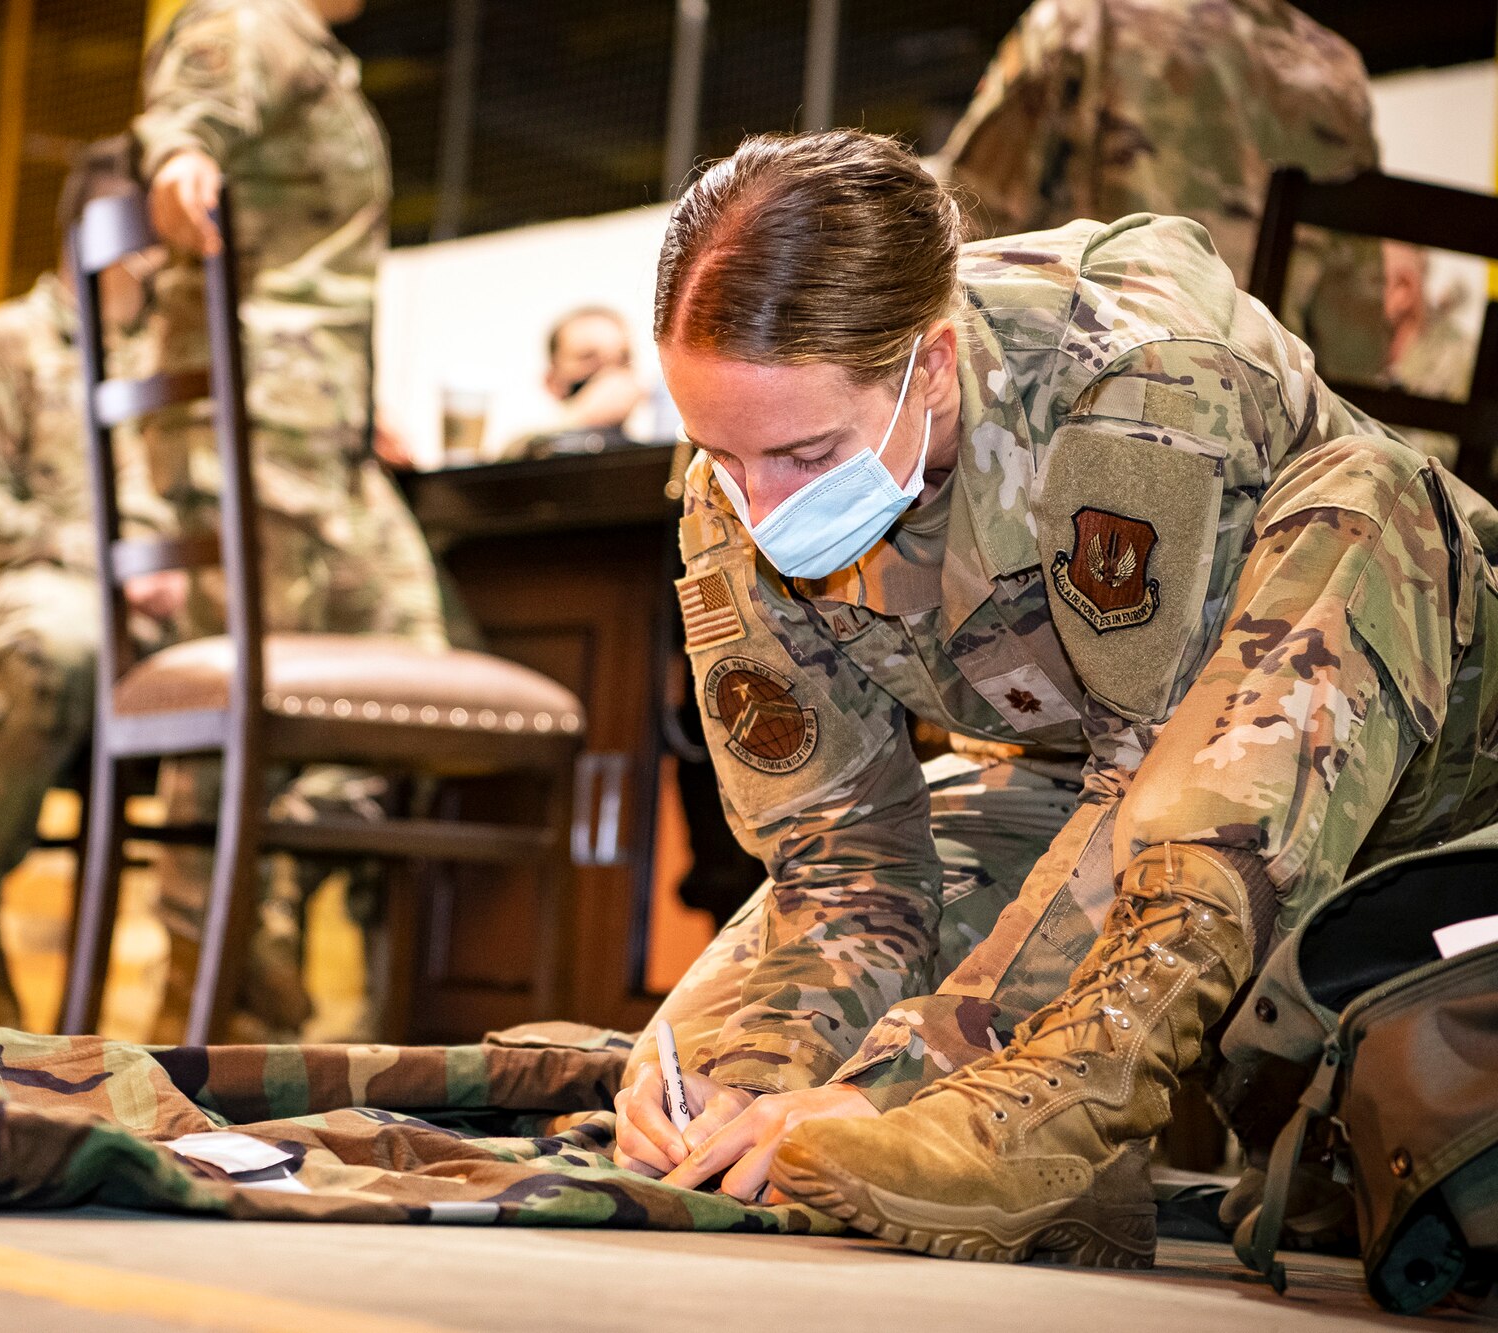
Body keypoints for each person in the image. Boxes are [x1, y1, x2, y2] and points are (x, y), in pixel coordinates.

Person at [613, 130, 1498, 1267]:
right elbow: (841, 864)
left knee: (1370, 495)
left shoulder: (1134, 389)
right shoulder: (740, 470)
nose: (756, 504)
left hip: (1425, 795)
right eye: (718, 454)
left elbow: (1147, 786)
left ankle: (1059, 1116)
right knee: (694, 1079)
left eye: (802, 453)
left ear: (930, 366)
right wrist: (749, 1070)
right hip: (1118, 794)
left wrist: (911, 1076)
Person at [134, 0, 452, 1039]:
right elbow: (184, 126)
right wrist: (180, 169)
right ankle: (213, 980)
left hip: (316, 424)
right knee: (245, 702)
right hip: (259, 424)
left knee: (416, 669)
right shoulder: (248, 21)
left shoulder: (314, 51)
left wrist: (354, 406)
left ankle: (260, 912)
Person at [0, 140, 183, 1030]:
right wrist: (97, 557)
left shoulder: (172, 352)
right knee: (58, 648)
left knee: (276, 686)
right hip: (44, 591)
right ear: (110, 238)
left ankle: (210, 1024)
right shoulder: (2, 345)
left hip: (174, 622)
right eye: (157, 237)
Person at [933, 0, 1391, 386]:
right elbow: (1355, 336)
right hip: (1267, 423)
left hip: (1095, 399)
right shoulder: (1336, 70)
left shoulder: (1085, 16)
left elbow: (962, 217)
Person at [493, 307, 648, 458]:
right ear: (551, 380)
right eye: (588, 357)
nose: (609, 374)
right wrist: (581, 418)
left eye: (623, 358)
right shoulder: (533, 449)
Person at [1382, 240, 1480, 470]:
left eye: (1377, 280)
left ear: (1403, 287)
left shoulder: (1460, 357)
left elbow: (1451, 456)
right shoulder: (1339, 349)